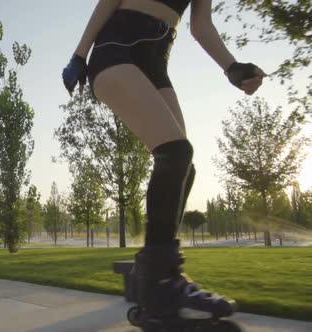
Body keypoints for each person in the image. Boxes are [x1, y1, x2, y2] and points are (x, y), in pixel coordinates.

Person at [62, 0, 265, 330]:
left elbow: (201, 26)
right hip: (117, 49)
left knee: (184, 166)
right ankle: (158, 286)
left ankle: (162, 277)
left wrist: (232, 67)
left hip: (156, 59)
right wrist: (79, 55)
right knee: (176, 152)